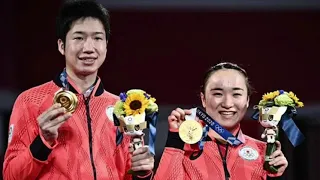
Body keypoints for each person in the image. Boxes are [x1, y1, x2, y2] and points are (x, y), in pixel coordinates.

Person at [2, 0, 154, 179]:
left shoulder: (123, 108)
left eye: (97, 38)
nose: (89, 48)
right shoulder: (30, 101)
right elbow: (11, 175)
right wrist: (43, 141)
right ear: (61, 46)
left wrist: (142, 172)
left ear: (106, 45)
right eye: (79, 38)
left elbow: (131, 174)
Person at [154, 62, 288, 180]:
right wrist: (175, 141)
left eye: (236, 94)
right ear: (203, 99)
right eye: (218, 94)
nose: (228, 103)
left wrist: (275, 177)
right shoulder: (183, 148)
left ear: (247, 100)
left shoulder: (262, 152)